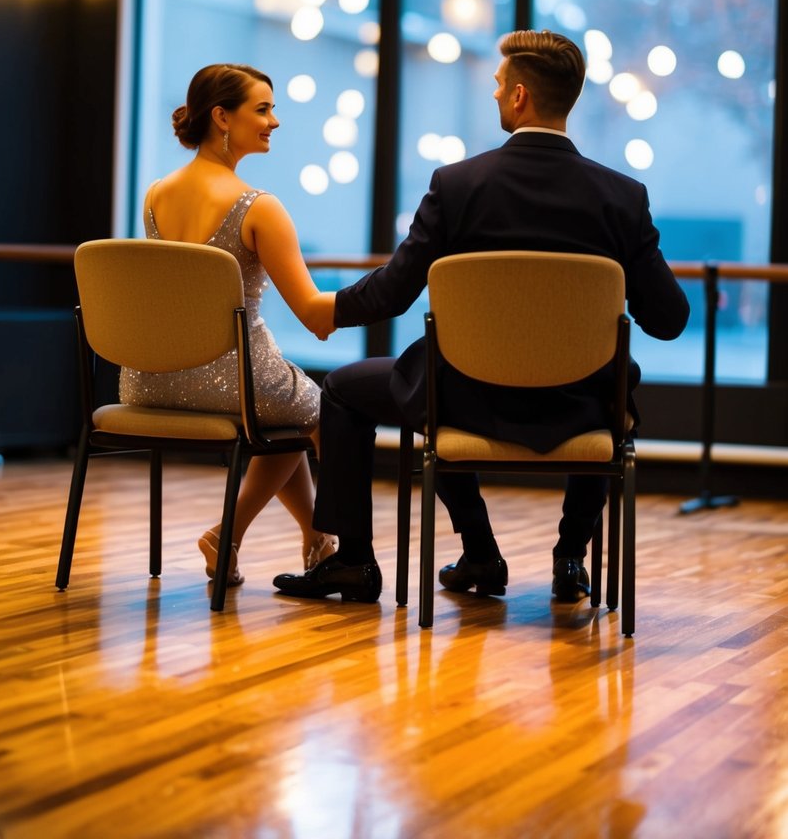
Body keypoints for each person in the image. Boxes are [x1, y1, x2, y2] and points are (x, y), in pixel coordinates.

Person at [272, 30, 690, 605]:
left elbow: (392, 293)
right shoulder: (622, 197)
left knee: (346, 390)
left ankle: (388, 558)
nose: (494, 96)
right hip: (578, 407)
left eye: (498, 86)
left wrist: (329, 310)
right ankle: (571, 559)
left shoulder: (458, 185)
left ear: (519, 96)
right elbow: (668, 319)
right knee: (610, 383)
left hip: (468, 402)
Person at [120, 63, 337, 587]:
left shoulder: (154, 196)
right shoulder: (259, 208)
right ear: (222, 116)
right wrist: (388, 292)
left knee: (285, 412)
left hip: (148, 377)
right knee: (318, 411)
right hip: (232, 380)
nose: (274, 122)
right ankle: (229, 532)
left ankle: (317, 538)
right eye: (263, 109)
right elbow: (312, 313)